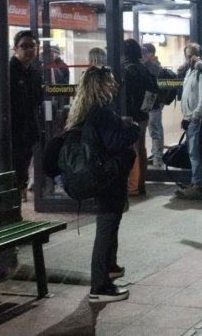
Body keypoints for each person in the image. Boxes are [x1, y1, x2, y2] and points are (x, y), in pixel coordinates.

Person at [64, 66, 139, 303]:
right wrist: (134, 130)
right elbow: (114, 141)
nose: (115, 85)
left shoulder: (89, 109)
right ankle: (100, 286)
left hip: (100, 177)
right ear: (102, 86)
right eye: (111, 81)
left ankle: (109, 269)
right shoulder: (101, 112)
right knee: (106, 227)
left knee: (109, 224)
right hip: (108, 178)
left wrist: (119, 121)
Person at [176, 42, 202, 199]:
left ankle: (197, 184)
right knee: (193, 152)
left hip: (196, 119)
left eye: (192, 55)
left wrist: (196, 116)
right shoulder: (189, 72)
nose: (189, 59)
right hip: (189, 118)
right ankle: (196, 182)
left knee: (194, 152)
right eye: (187, 56)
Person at [9, 31, 43, 201]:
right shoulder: (9, 71)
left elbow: (37, 101)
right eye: (24, 46)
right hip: (13, 132)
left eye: (32, 46)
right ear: (15, 48)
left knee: (23, 169)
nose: (29, 50)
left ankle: (20, 198)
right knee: (14, 171)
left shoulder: (34, 73)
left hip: (28, 132)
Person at [123, 39, 158, 196]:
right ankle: (141, 183)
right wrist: (145, 108)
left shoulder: (126, 69)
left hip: (128, 115)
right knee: (141, 148)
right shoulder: (143, 69)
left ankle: (133, 185)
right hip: (142, 114)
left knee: (131, 149)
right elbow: (153, 90)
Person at [142, 43, 165, 169]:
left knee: (155, 131)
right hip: (147, 103)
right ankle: (154, 157)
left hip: (152, 103)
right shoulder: (149, 65)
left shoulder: (154, 66)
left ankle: (157, 159)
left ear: (150, 54)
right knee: (152, 131)